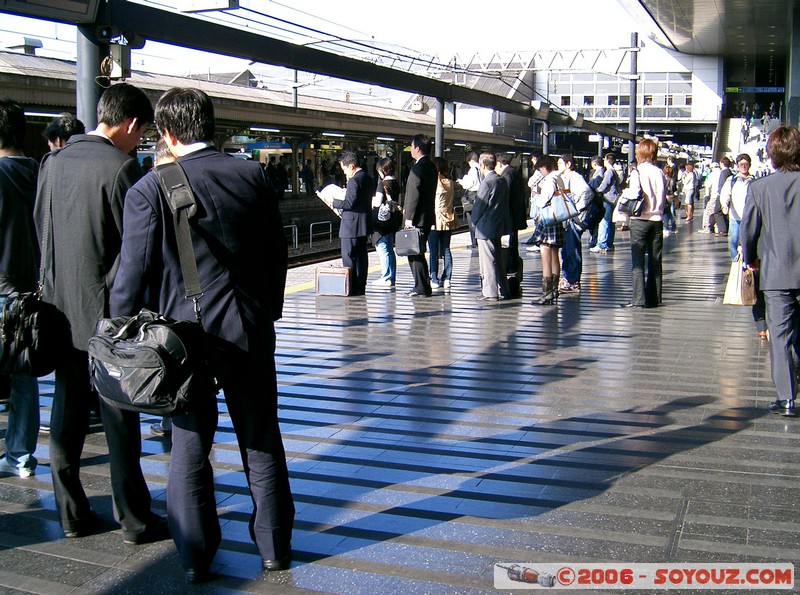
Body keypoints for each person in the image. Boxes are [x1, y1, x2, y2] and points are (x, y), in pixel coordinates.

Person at [111, 87, 295, 581]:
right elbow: (275, 253)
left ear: (166, 132)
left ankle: (195, 557)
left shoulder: (148, 189)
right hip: (249, 329)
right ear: (208, 125)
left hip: (183, 342)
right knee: (260, 437)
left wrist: (121, 337)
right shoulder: (249, 174)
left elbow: (131, 275)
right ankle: (274, 548)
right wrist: (265, 311)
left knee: (189, 447)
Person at [33, 83, 166, 543]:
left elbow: (41, 231)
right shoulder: (121, 168)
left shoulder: (51, 164)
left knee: (65, 417)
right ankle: (132, 518)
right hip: (108, 321)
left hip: (58, 311)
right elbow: (135, 251)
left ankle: (71, 514)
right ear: (129, 124)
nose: (140, 140)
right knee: (119, 422)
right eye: (142, 132)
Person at [740, 126, 800, 417]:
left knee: (780, 334)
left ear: (771, 155)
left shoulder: (760, 188)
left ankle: (787, 397)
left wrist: (749, 258)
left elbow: (748, 231)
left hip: (776, 272)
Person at [0, 98, 40, 478]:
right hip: (32, 291)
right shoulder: (42, 172)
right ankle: (21, 455)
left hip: (1, 286)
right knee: (23, 376)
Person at [722, 152, 765, 339]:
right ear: (737, 165)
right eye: (741, 164)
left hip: (749, 216)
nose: (744, 166)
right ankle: (737, 263)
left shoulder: (754, 181)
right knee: (734, 241)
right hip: (735, 216)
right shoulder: (732, 181)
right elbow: (724, 194)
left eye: (746, 164)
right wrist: (724, 206)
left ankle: (743, 262)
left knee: (744, 242)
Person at [149, 138, 176, 439]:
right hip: (194, 295)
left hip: (161, 296)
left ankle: (169, 420)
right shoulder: (190, 185)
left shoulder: (148, 188)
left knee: (166, 361)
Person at [619, 138, 666, 309]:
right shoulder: (659, 172)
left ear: (640, 152)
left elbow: (633, 194)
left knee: (638, 261)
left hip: (640, 220)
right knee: (655, 260)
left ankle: (639, 298)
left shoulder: (637, 172)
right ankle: (654, 298)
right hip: (657, 220)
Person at [333, 151, 374, 296]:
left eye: (344, 169)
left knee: (348, 256)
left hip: (351, 226)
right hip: (363, 224)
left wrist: (334, 201)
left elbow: (350, 202)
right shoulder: (368, 178)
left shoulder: (354, 180)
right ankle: (360, 285)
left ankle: (350, 285)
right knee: (362, 256)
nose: (344, 173)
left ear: (351, 166)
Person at [472, 153, 510, 301]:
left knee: (487, 260)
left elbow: (479, 206)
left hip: (485, 227)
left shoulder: (487, 183)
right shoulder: (502, 180)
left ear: (482, 165)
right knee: (498, 259)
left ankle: (490, 292)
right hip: (499, 224)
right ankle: (503, 289)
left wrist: (474, 222)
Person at [529, 155, 565, 305]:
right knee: (555, 255)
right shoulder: (559, 178)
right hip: (557, 220)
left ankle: (546, 293)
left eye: (540, 169)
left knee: (546, 256)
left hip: (548, 221)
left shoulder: (549, 180)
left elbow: (543, 201)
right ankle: (555, 290)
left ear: (544, 167)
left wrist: (536, 196)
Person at [403, 134, 436, 297]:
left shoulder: (418, 168)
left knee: (414, 252)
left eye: (411, 146)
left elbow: (413, 195)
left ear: (417, 148)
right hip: (427, 216)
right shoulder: (431, 166)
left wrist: (409, 218)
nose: (410, 149)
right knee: (418, 251)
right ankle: (422, 285)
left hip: (417, 219)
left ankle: (421, 287)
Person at [557, 153, 593, 293]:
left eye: (560, 164)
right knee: (566, 249)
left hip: (574, 219)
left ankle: (573, 280)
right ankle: (568, 278)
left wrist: (575, 210)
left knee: (572, 249)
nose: (558, 166)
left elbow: (587, 193)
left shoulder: (576, 178)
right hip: (569, 219)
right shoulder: (565, 178)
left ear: (568, 164)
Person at [496, 154, 527, 297]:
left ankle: (511, 277)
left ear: (500, 163)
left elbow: (505, 197)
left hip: (509, 219)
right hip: (515, 217)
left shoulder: (507, 175)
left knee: (509, 249)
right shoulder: (515, 172)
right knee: (513, 247)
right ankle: (514, 278)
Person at [371, 157, 401, 288]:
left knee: (382, 248)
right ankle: (391, 276)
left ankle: (385, 277)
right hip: (393, 220)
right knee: (389, 248)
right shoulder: (396, 183)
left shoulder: (382, 184)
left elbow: (377, 202)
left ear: (383, 170)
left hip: (382, 221)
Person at [429, 156, 457, 291]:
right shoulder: (450, 182)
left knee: (433, 250)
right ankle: (447, 278)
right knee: (446, 249)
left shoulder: (434, 183)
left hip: (434, 219)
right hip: (448, 217)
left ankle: (433, 278)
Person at [589, 153, 619, 254]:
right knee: (611, 223)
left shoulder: (609, 172)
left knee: (604, 222)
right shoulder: (614, 172)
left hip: (607, 199)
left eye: (605, 160)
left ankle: (601, 244)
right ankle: (609, 244)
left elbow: (604, 185)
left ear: (608, 161)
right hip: (613, 199)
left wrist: (597, 191)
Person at [455, 152, 481, 248]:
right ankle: (479, 240)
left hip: (472, 196)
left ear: (472, 161)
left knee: (472, 221)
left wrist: (461, 181)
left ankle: (474, 242)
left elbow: (469, 184)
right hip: (480, 196)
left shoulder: (473, 170)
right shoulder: (481, 169)